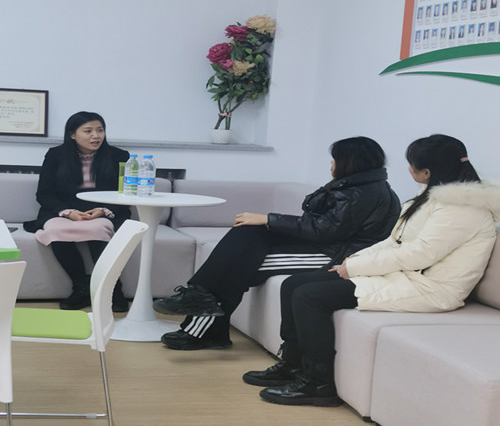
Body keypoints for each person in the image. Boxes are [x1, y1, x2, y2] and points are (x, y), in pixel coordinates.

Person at [244, 134, 500, 407]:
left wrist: (356, 267)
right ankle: (292, 364)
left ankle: (317, 383)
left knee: (310, 296)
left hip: (430, 289)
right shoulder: (433, 197)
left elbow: (419, 254)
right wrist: (352, 262)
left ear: (426, 172)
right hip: (407, 277)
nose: (409, 169)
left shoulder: (462, 209)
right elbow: (394, 242)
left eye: (411, 164)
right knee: (293, 284)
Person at [153, 137, 401, 350]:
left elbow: (324, 230)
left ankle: (203, 327)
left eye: (334, 159)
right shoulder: (355, 186)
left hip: (337, 257)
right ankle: (200, 302)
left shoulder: (364, 193)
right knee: (248, 233)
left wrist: (268, 218)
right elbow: (322, 225)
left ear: (349, 162)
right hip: (326, 246)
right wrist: (264, 222)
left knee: (235, 266)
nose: (331, 164)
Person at [23, 111, 131, 311]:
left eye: (100, 130)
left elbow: (126, 193)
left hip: (103, 209)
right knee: (55, 230)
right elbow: (44, 193)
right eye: (88, 131)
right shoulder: (56, 155)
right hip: (64, 210)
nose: (96, 136)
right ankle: (81, 286)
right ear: (72, 134)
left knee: (98, 229)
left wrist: (102, 209)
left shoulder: (119, 156)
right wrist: (67, 212)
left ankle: (113, 289)